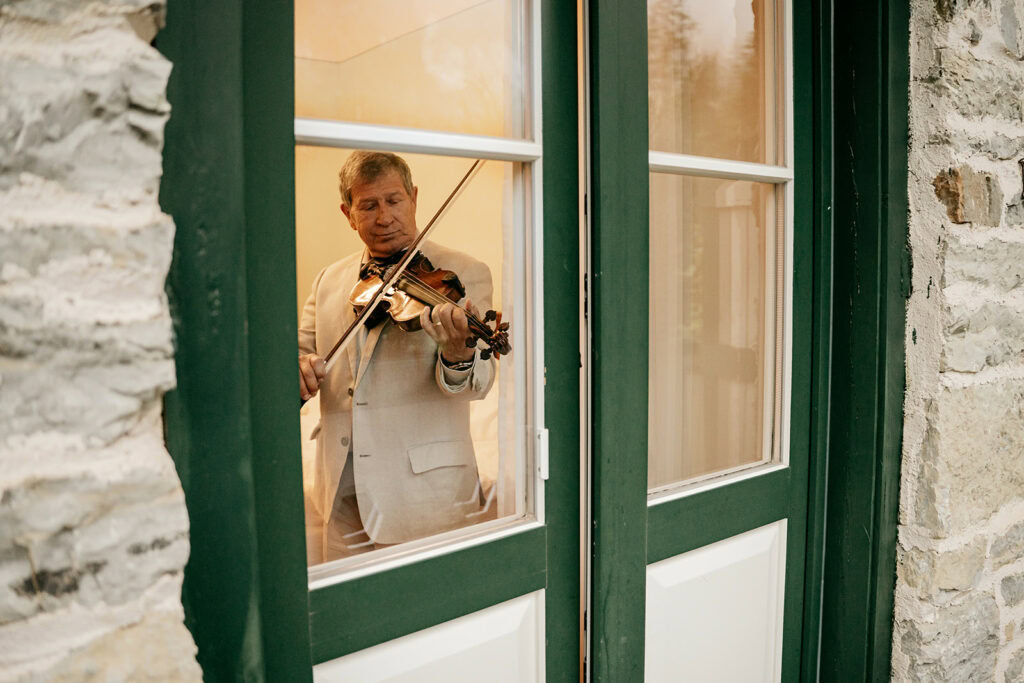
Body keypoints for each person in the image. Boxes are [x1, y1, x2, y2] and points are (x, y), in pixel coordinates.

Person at [298, 151, 495, 562]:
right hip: (340, 491)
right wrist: (299, 370)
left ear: (414, 197)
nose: (384, 217)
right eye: (368, 205)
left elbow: (480, 383)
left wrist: (458, 354)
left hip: (424, 497)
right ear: (348, 214)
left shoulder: (462, 273)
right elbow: (300, 354)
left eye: (394, 201)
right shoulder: (328, 280)